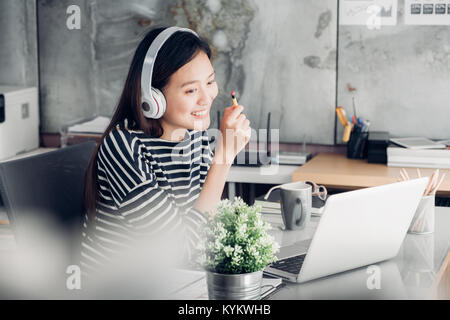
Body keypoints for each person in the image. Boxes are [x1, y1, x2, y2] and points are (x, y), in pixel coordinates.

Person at [80, 26, 251, 280]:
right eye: (191, 90)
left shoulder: (193, 134)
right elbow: (178, 251)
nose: (207, 98)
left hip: (174, 281)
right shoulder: (124, 147)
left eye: (210, 82)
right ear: (153, 97)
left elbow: (205, 222)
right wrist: (224, 156)